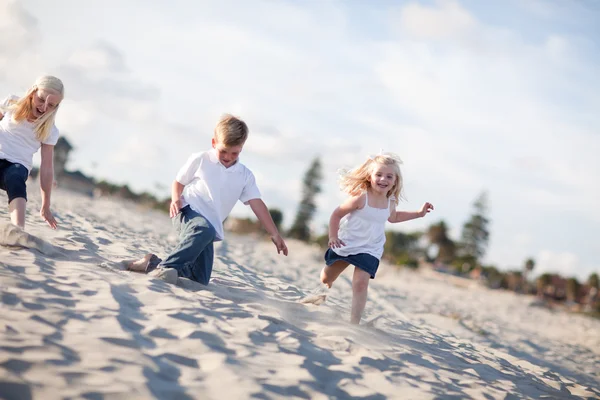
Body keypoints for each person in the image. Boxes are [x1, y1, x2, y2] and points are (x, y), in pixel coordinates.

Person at [128, 114, 288, 284]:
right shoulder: (201, 159)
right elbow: (178, 182)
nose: (227, 157)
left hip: (209, 227)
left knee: (200, 279)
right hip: (187, 212)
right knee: (204, 230)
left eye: (234, 153)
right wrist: (175, 199)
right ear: (214, 143)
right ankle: (165, 268)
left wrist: (275, 234)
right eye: (223, 151)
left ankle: (152, 263)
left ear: (241, 148)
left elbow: (258, 204)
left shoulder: (244, 175)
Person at [321, 152, 433, 324]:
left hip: (370, 248)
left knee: (360, 283)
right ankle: (326, 282)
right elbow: (336, 215)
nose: (383, 179)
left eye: (389, 176)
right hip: (346, 242)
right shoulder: (360, 197)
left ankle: (354, 323)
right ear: (370, 176)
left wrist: (418, 214)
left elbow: (393, 217)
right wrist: (333, 236)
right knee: (326, 278)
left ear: (395, 180)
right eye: (379, 175)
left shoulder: (390, 202)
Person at [0, 75, 64, 230]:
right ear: (33, 92)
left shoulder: (50, 130)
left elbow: (47, 168)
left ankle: (18, 230)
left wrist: (45, 206)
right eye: (41, 99)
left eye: (51, 105)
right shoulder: (11, 103)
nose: (44, 107)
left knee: (15, 178)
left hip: (17, 166)